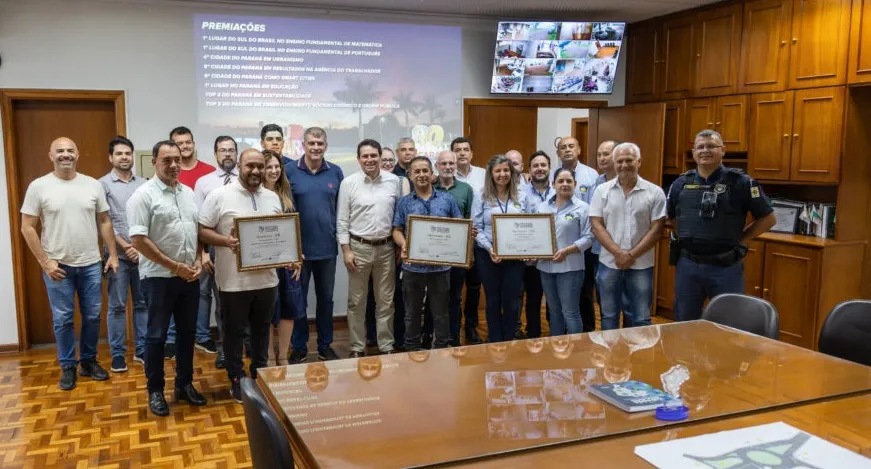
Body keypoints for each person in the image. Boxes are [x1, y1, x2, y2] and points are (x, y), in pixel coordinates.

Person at [199, 148, 300, 402]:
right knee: (233, 333)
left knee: (261, 330)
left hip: (267, 280)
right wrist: (226, 241)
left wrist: (289, 257)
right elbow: (202, 230)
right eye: (250, 166)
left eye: (259, 166)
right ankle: (237, 378)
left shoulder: (272, 197)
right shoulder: (219, 196)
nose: (255, 171)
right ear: (240, 167)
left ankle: (259, 373)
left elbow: (278, 236)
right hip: (233, 282)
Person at [21, 137, 119, 390]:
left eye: (70, 150)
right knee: (63, 319)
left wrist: (113, 254)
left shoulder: (92, 185)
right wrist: (45, 262)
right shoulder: (38, 186)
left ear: (78, 154)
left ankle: (88, 361)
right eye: (60, 151)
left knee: (93, 316)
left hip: (90, 264)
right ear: (50, 156)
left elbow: (105, 221)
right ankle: (67, 366)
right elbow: (27, 227)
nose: (66, 154)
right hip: (57, 267)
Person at [127, 140, 206, 416]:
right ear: (154, 162)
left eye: (177, 160)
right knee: (157, 336)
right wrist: (175, 266)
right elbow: (138, 240)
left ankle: (184, 385)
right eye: (166, 160)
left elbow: (195, 232)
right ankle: (155, 390)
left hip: (189, 276)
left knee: (187, 334)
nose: (174, 165)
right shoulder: (143, 196)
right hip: (159, 278)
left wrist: (197, 260)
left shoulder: (188, 192)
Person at [667, 130, 776, 321]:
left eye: (711, 146)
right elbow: (672, 218)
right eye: (700, 147)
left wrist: (740, 238)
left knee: (730, 323)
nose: (705, 151)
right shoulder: (680, 184)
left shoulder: (741, 183)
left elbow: (768, 218)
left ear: (723, 150)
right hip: (688, 266)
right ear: (693, 153)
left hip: (725, 267)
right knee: (684, 323)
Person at [590, 143, 667, 330]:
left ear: (638, 161)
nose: (624, 165)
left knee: (640, 317)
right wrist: (618, 253)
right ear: (614, 163)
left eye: (629, 160)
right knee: (608, 317)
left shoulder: (655, 192)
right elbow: (596, 224)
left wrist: (630, 255)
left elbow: (657, 229)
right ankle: (612, 357)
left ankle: (636, 358)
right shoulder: (602, 191)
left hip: (641, 265)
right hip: (609, 263)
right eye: (620, 161)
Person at [338, 139, 403, 357]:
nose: (369, 160)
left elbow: (399, 219)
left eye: (373, 155)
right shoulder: (349, 183)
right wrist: (346, 250)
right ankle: (357, 347)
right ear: (358, 159)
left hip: (386, 249)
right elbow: (342, 221)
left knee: (386, 301)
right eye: (365, 156)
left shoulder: (394, 182)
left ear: (380, 156)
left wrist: (398, 246)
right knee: (356, 302)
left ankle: (386, 346)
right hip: (358, 248)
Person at [286, 127, 344, 363]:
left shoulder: (336, 172)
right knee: (298, 301)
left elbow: (341, 211)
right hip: (298, 251)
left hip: (327, 250)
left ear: (326, 146)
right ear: (303, 145)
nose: (316, 147)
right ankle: (298, 346)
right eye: (311, 143)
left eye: (320, 143)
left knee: (326, 300)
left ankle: (324, 345)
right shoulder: (289, 171)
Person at [393, 156, 462, 350]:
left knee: (441, 313)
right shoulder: (404, 202)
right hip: (412, 267)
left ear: (432, 174)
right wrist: (404, 244)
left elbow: (458, 228)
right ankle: (412, 349)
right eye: (417, 171)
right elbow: (396, 229)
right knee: (412, 313)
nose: (422, 175)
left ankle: (440, 349)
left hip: (440, 268)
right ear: (410, 175)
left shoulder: (447, 199)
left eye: (425, 171)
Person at [99, 136, 148, 373]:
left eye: (128, 153)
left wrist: (139, 247)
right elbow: (104, 220)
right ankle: (118, 354)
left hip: (143, 255)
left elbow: (150, 218)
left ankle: (142, 350)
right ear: (111, 157)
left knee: (143, 304)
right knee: (117, 306)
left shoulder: (144, 184)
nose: (124, 157)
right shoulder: (102, 185)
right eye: (119, 154)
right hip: (116, 255)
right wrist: (125, 246)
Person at [167, 126, 215, 359]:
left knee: (204, 292)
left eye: (188, 142)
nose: (185, 147)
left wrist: (204, 250)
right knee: (173, 291)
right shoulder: (170, 173)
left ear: (194, 144)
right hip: (175, 244)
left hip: (203, 243)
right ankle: (172, 339)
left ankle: (203, 336)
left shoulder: (209, 173)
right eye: (179, 144)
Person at [191, 136, 240, 368]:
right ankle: (224, 350)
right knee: (222, 303)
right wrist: (203, 253)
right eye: (223, 150)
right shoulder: (204, 182)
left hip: (244, 250)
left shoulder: (246, 179)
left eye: (231, 150)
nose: (228, 154)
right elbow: (199, 223)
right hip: (215, 250)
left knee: (246, 300)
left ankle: (245, 345)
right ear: (215, 154)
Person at [472, 154, 529, 343]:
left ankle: (509, 338)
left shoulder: (522, 194)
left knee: (512, 300)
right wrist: (490, 249)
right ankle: (494, 340)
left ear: (511, 172)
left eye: (506, 170)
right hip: (488, 255)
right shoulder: (480, 194)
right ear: (491, 174)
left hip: (514, 256)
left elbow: (529, 223)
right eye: (498, 171)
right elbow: (476, 227)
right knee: (493, 298)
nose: (502, 174)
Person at [534, 168, 593, 335]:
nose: (565, 184)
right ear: (553, 184)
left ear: (575, 184)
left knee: (570, 311)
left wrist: (567, 251)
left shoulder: (583, 208)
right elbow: (535, 234)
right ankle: (556, 349)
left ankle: (575, 352)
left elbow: (589, 237)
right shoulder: (542, 207)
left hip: (571, 267)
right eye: (560, 181)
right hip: (546, 267)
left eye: (569, 181)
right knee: (554, 310)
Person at [263, 150, 306, 366]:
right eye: (268, 167)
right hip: (265, 264)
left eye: (276, 166)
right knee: (268, 312)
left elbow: (294, 227)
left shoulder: (286, 193)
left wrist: (298, 254)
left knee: (289, 309)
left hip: (288, 262)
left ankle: (283, 355)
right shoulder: (255, 196)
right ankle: (270, 357)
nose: (273, 171)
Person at [554, 136, 599, 332]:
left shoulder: (591, 175)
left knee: (584, 293)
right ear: (558, 153)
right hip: (556, 247)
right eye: (563, 147)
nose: (567, 150)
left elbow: (595, 211)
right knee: (556, 302)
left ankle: (586, 332)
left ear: (579, 149)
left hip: (584, 246)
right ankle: (559, 334)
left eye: (571, 146)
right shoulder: (551, 175)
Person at [433, 150, 476, 346]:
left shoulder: (466, 189)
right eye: (444, 163)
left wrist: (469, 253)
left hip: (457, 253)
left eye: (452, 163)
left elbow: (468, 221)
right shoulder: (430, 187)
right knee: (434, 297)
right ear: (437, 166)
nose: (448, 167)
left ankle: (453, 337)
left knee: (455, 296)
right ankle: (436, 337)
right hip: (433, 253)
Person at [451, 137, 485, 344]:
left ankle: (471, 326)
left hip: (478, 240)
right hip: (454, 242)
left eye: (466, 150)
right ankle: (454, 327)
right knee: (454, 288)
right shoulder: (444, 176)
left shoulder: (483, 175)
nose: (462, 153)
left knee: (474, 286)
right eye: (457, 150)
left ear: (472, 153)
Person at [519, 151, 555, 338]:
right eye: (536, 166)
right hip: (530, 257)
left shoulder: (560, 191)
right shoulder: (520, 193)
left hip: (554, 257)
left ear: (549, 168)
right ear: (529, 170)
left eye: (543, 165)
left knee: (553, 299)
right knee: (532, 298)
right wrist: (528, 250)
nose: (540, 169)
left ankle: (555, 334)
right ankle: (533, 335)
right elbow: (518, 225)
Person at [590, 140, 619, 323]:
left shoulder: (631, 182)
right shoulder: (597, 183)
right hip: (598, 249)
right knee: (604, 298)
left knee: (629, 303)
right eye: (599, 154)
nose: (602, 158)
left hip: (626, 250)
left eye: (606, 154)